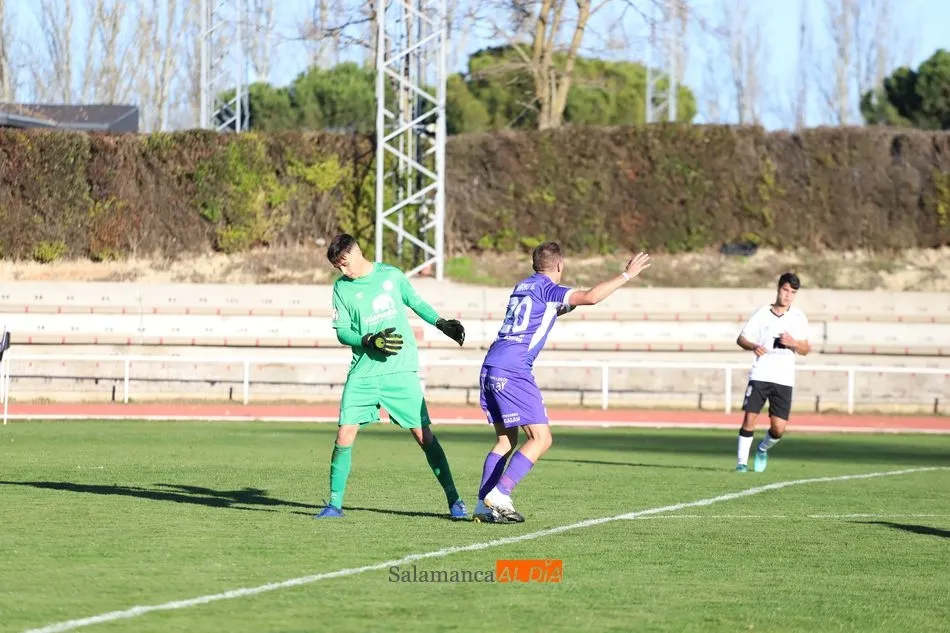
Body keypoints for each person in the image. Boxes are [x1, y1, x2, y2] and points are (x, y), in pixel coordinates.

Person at [472, 242, 652, 523]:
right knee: (541, 438)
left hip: (491, 365)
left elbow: (545, 312)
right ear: (559, 265)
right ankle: (500, 493)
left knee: (505, 440)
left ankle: (483, 506)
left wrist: (565, 306)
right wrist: (626, 275)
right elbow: (591, 297)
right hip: (514, 368)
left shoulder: (522, 287)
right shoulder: (549, 289)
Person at [314, 233, 468, 519]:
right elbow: (342, 332)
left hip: (399, 369)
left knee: (424, 436)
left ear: (358, 252)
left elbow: (416, 301)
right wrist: (368, 339)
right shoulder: (341, 289)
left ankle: (455, 501)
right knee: (344, 433)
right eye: (338, 267)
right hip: (364, 372)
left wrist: (441, 323)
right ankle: (334, 505)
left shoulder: (391, 276)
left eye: (345, 264)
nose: (343, 271)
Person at [734, 272, 811, 473]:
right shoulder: (761, 313)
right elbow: (741, 339)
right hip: (760, 374)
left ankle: (762, 448)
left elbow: (805, 349)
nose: (788, 295)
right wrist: (753, 345)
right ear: (778, 288)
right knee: (750, 417)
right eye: (785, 290)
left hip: (783, 378)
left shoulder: (798, 317)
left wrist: (794, 343)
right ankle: (741, 463)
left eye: (792, 292)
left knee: (778, 429)